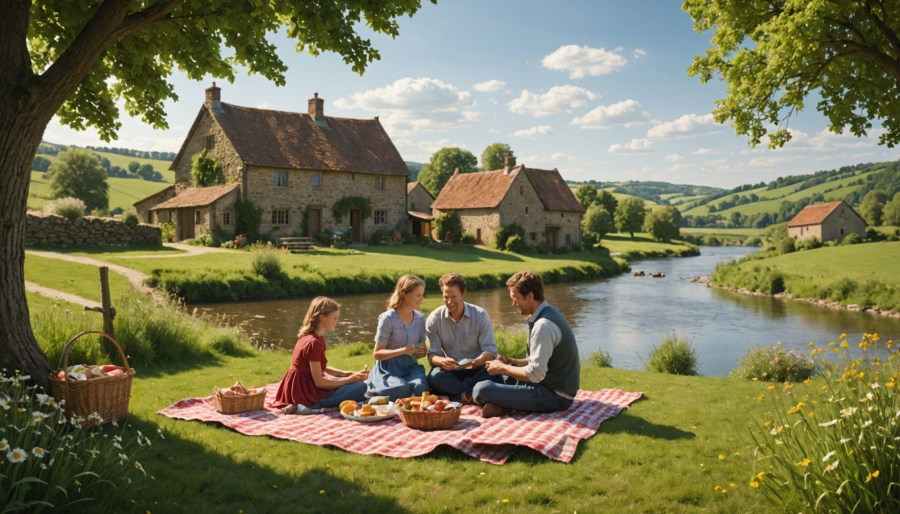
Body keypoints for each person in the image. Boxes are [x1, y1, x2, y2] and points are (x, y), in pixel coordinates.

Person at [472, 270, 580, 418]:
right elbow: (536, 361)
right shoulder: (547, 313)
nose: (513, 303)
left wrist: (503, 367)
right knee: (498, 377)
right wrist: (510, 361)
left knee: (481, 389)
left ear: (530, 296)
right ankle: (509, 407)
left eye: (515, 298)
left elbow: (534, 374)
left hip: (556, 396)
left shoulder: (543, 326)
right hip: (545, 385)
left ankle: (506, 407)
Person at [276, 297, 369, 414]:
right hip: (307, 395)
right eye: (335, 318)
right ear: (322, 318)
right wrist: (350, 379)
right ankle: (313, 407)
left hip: (299, 390)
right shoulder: (314, 343)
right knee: (360, 387)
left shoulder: (309, 337)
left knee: (356, 385)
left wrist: (347, 373)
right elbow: (320, 382)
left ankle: (337, 402)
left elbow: (319, 368)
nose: (337, 322)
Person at [426, 273, 499, 404]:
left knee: (493, 373)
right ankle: (474, 395)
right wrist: (442, 361)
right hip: (452, 372)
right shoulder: (434, 318)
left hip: (478, 369)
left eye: (453, 297)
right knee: (434, 376)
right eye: (446, 297)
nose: (449, 301)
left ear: (463, 294)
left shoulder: (481, 315)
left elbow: (490, 352)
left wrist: (474, 363)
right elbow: (432, 354)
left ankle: (461, 394)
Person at [366, 275, 430, 400]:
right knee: (401, 389)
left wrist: (422, 352)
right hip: (388, 368)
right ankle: (373, 394)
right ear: (403, 294)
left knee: (420, 387)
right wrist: (403, 350)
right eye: (418, 295)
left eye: (422, 295)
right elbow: (377, 353)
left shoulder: (420, 318)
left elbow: (419, 354)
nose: (421, 299)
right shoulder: (388, 318)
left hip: (410, 367)